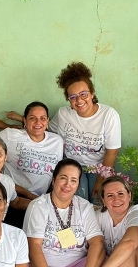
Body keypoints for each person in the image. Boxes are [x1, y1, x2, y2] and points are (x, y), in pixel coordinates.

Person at [23, 159, 105, 267]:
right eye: (63, 178)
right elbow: (34, 246)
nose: (68, 184)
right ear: (53, 179)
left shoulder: (84, 206)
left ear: (78, 185)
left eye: (73, 180)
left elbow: (97, 242)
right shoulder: (38, 206)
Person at [49, 62, 121, 202]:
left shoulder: (108, 115)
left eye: (83, 94)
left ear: (92, 94)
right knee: (77, 204)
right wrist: (22, 120)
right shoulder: (63, 114)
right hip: (72, 167)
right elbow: (45, 130)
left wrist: (100, 181)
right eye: (73, 97)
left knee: (98, 202)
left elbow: (112, 152)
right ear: (68, 100)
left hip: (98, 168)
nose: (79, 100)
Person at [0, 102, 64, 200]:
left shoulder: (57, 141)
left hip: (41, 198)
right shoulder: (9, 135)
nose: (38, 122)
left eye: (42, 118)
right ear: (25, 120)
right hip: (12, 195)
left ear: (47, 121)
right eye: (32, 118)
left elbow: (56, 173)